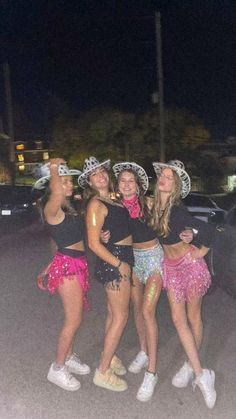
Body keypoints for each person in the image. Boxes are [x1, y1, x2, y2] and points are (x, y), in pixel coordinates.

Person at [149, 159, 217, 409]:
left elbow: (206, 230)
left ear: (176, 185)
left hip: (190, 266)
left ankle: (194, 370)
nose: (164, 179)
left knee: (193, 317)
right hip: (171, 269)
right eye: (162, 176)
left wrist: (200, 250)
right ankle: (202, 372)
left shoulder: (177, 209)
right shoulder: (155, 207)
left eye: (169, 177)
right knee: (179, 321)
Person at [34, 158, 90, 391]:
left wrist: (48, 266)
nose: (70, 186)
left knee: (75, 317)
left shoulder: (67, 208)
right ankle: (57, 368)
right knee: (73, 319)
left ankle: (67, 356)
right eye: (65, 183)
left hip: (72, 262)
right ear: (53, 186)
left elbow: (63, 242)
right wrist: (55, 169)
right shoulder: (52, 207)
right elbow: (56, 193)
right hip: (69, 268)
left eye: (70, 182)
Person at [78, 156, 133, 392]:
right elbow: (92, 243)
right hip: (115, 261)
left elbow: (105, 232)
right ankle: (102, 371)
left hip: (120, 255)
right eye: (94, 174)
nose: (99, 175)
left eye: (101, 171)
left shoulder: (112, 199)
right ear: (90, 182)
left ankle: (108, 357)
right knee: (121, 317)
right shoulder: (95, 204)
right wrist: (119, 264)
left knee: (113, 314)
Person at [112, 162, 163, 402]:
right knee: (136, 309)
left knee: (147, 311)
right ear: (118, 185)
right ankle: (143, 350)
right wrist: (106, 235)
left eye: (131, 180)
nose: (127, 184)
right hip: (134, 263)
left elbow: (170, 221)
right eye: (123, 180)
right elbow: (111, 235)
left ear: (138, 185)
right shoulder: (117, 208)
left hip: (153, 260)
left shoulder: (150, 203)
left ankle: (151, 372)